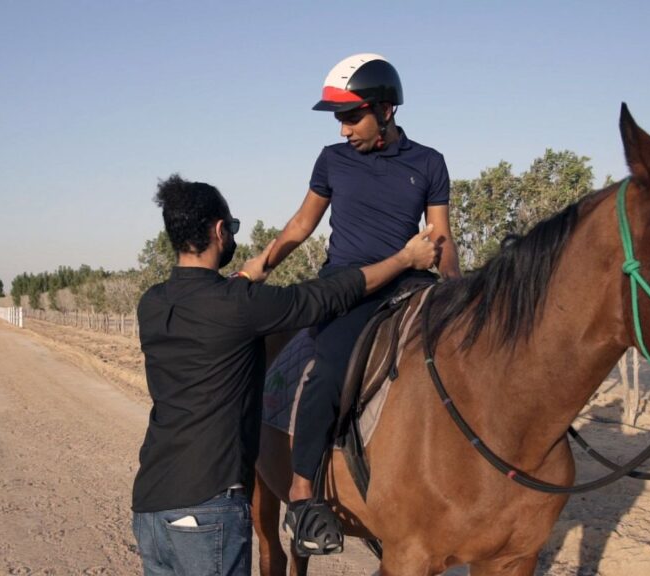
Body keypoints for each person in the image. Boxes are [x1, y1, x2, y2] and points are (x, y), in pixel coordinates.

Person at [131, 174, 439, 576]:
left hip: (151, 508)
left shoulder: (152, 304)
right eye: (233, 228)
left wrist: (244, 279)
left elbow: (212, 301)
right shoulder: (239, 307)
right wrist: (404, 260)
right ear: (219, 230)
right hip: (207, 509)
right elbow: (326, 296)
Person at [262, 53, 461, 556]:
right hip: (347, 289)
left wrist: (460, 296)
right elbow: (302, 224)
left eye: (352, 116)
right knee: (327, 369)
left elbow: (441, 238)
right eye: (338, 119)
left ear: (386, 109)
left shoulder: (429, 162)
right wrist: (259, 266)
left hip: (410, 284)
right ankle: (304, 496)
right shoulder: (333, 160)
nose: (344, 128)